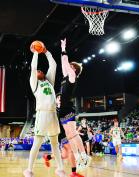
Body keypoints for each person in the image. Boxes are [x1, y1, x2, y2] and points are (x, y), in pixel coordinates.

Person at [23, 43, 66, 177]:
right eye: (36, 72)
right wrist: (36, 52)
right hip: (42, 114)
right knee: (37, 143)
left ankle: (60, 169)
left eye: (39, 71)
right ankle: (29, 170)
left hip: (53, 114)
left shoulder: (49, 82)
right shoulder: (35, 84)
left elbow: (53, 66)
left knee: (55, 143)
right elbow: (33, 67)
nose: (37, 72)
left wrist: (46, 52)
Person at [59, 38, 91, 171]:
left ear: (74, 69)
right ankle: (78, 157)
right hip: (62, 109)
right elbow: (63, 64)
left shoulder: (73, 76)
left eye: (71, 66)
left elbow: (66, 63)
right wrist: (62, 50)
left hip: (69, 108)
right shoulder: (66, 76)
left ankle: (84, 155)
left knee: (72, 134)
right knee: (68, 134)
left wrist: (64, 49)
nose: (68, 66)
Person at [43, 93, 84, 177]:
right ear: (56, 101)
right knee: (71, 150)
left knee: (64, 155)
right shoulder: (54, 110)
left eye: (62, 98)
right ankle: (73, 173)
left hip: (66, 132)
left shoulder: (67, 109)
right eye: (58, 98)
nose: (60, 99)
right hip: (60, 134)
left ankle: (48, 157)